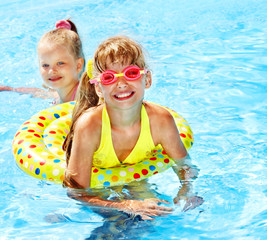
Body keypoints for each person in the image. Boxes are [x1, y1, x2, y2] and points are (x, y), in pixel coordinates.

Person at [62, 36, 203, 220]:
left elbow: (185, 166)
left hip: (136, 178)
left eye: (131, 73)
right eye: (109, 77)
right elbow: (77, 193)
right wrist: (126, 205)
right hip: (99, 189)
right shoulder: (90, 126)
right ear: (98, 89)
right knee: (120, 222)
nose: (121, 84)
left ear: (147, 79)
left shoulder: (161, 121)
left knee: (156, 216)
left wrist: (186, 191)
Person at [0, 19, 84, 104]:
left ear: (78, 65)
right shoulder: (60, 95)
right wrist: (11, 89)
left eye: (60, 63)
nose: (52, 71)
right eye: (45, 65)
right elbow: (39, 92)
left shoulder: (84, 95)